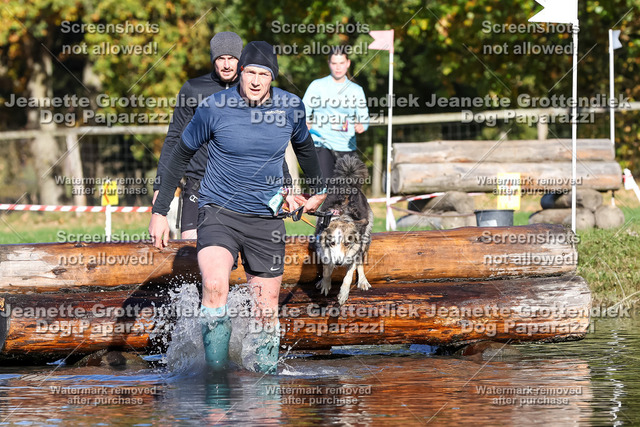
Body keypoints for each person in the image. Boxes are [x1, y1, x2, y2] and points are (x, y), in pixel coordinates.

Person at [149, 41, 326, 374]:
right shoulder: (214, 107)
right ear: (241, 73)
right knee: (215, 286)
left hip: (266, 220)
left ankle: (265, 382)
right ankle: (216, 379)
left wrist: (319, 191)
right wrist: (160, 211)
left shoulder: (291, 107)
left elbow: (305, 149)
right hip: (219, 212)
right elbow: (180, 152)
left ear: (272, 77)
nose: (256, 81)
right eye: (250, 73)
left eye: (264, 74)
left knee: (266, 310)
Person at [153, 32, 244, 239]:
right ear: (213, 60)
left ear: (240, 60)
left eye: (232, 58)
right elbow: (174, 138)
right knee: (190, 248)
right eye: (221, 58)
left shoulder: (251, 89)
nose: (227, 65)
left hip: (239, 185)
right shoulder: (193, 89)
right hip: (198, 183)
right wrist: (160, 186)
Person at [302, 46, 370, 182]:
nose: (338, 67)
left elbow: (364, 117)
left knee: (348, 189)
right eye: (334, 63)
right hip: (321, 144)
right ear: (329, 64)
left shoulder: (356, 90)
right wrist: (305, 122)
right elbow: (302, 110)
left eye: (341, 63)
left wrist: (362, 125)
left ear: (348, 63)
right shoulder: (317, 86)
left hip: (346, 146)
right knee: (324, 187)